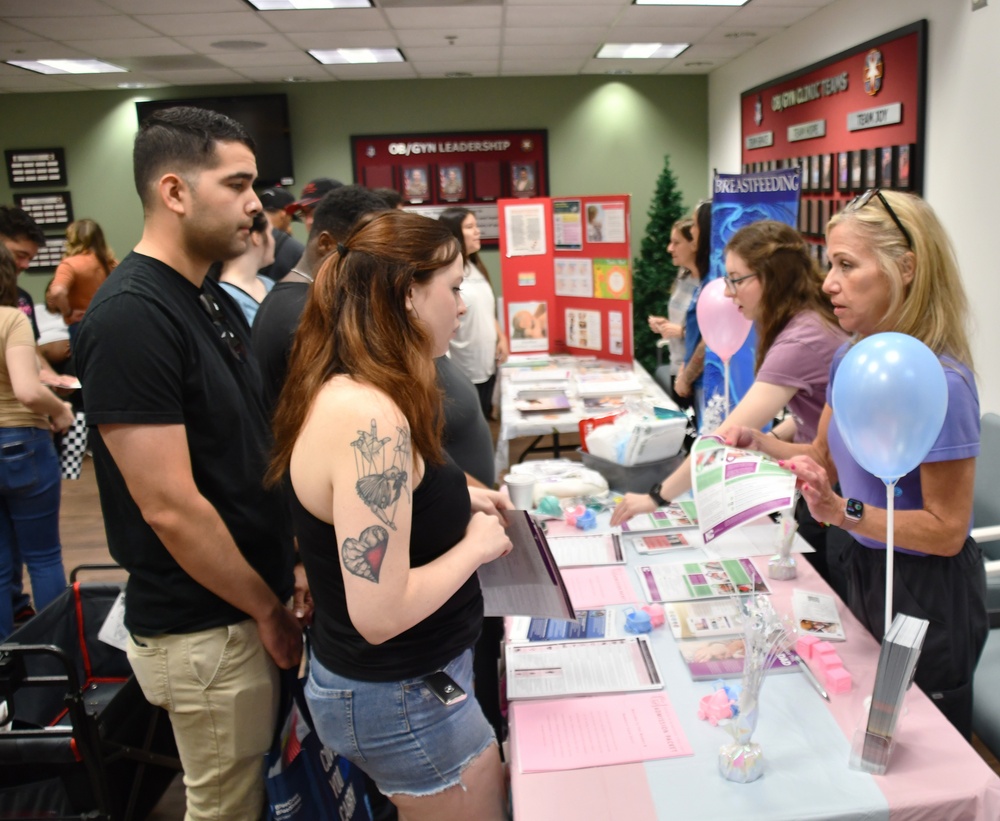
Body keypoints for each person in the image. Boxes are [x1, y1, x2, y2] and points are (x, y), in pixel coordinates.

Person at [74, 106, 304, 819]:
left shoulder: (205, 298)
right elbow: (170, 504)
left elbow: (243, 452)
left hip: (246, 604)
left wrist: (290, 561)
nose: (254, 204)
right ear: (175, 192)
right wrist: (267, 607)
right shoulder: (130, 315)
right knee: (226, 805)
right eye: (236, 184)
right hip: (208, 624)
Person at [268, 211, 512, 820]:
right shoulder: (367, 417)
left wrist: (464, 498)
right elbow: (380, 612)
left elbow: (392, 501)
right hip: (400, 690)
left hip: (411, 683)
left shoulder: (366, 387)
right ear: (407, 294)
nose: (462, 306)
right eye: (452, 288)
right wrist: (477, 546)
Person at [726, 190, 986, 739]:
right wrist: (763, 445)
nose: (827, 283)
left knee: (923, 751)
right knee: (852, 721)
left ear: (905, 269)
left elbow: (944, 531)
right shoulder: (850, 356)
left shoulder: (945, 383)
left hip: (926, 593)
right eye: (829, 265)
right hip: (862, 566)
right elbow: (823, 460)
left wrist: (843, 514)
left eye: (847, 265)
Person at [612, 221, 847, 576]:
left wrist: (655, 498)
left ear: (772, 277)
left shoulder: (800, 339)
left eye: (737, 279)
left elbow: (721, 438)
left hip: (835, 490)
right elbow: (809, 414)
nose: (727, 292)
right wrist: (775, 437)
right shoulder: (807, 321)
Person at [252, 184, 388, 417]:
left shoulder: (302, 298)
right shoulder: (303, 312)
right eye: (368, 248)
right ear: (326, 244)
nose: (378, 261)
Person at [0, 245, 74, 639]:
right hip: (19, 443)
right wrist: (60, 410)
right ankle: (57, 659)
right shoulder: (11, 318)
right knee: (43, 556)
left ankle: (4, 667)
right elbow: (28, 390)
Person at [438, 207, 508, 419]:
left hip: (486, 363)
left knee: (483, 418)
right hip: (463, 367)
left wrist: (501, 336)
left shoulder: (476, 266)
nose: (478, 231)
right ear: (455, 233)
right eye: (470, 227)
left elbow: (486, 310)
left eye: (476, 226)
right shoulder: (448, 271)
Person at [647, 217, 699, 406]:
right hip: (676, 366)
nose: (670, 248)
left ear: (694, 244)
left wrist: (681, 331)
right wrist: (665, 325)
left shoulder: (707, 284)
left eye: (676, 243)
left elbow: (711, 334)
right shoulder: (683, 275)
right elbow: (682, 317)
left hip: (693, 373)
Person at [672, 201, 712, 429]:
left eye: (696, 225)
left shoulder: (714, 281)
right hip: (696, 381)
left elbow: (710, 338)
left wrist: (686, 376)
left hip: (706, 382)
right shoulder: (702, 281)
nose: (693, 230)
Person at [46, 218, 117, 345]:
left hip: (83, 324)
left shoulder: (70, 264)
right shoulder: (112, 264)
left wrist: (68, 313)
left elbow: (57, 292)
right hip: (112, 323)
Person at [211, 210, 275, 327]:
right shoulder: (225, 298)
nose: (273, 241)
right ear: (256, 237)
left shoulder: (269, 283)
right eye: (271, 233)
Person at [258, 186, 305, 281]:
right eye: (290, 218)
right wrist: (288, 240)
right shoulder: (294, 249)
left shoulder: (244, 239)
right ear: (283, 214)